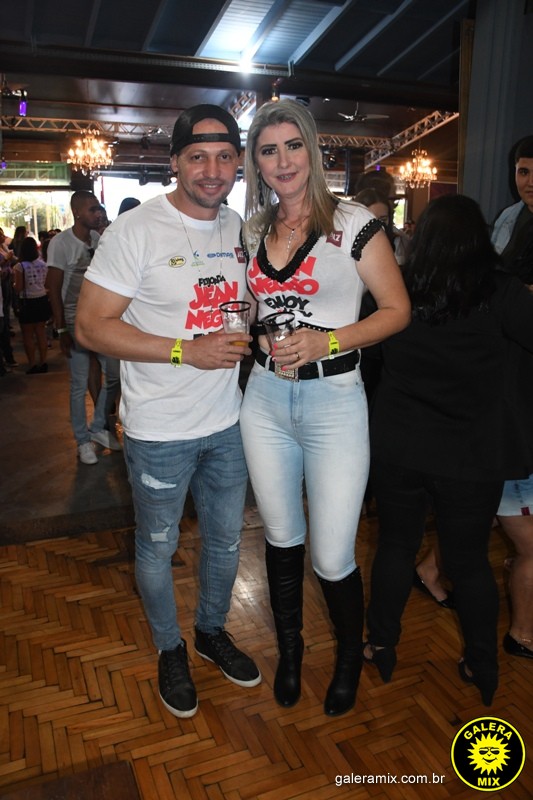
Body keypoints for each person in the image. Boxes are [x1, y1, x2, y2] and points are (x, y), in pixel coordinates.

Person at [75, 104, 261, 719]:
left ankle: (210, 632)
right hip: (158, 431)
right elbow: (90, 327)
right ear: (175, 162)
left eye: (225, 157)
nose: (212, 170)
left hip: (227, 423)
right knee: (157, 547)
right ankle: (170, 648)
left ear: (238, 163)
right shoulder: (136, 230)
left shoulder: (238, 227)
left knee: (226, 543)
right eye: (197, 157)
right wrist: (186, 349)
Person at [239, 99, 410, 717]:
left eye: (293, 146)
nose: (282, 161)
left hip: (335, 402)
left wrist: (329, 340)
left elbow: (397, 310)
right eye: (268, 150)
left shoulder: (354, 222)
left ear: (312, 150)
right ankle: (291, 652)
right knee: (282, 537)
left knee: (333, 556)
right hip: (265, 400)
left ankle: (347, 660)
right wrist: (254, 333)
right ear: (257, 162)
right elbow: (253, 310)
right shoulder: (253, 230)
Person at [363, 195, 533, 707]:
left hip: (401, 443)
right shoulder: (501, 292)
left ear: (423, 239)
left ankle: (381, 645)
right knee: (471, 562)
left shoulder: (396, 288)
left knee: (396, 546)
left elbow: (370, 360)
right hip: (472, 453)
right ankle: (483, 666)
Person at [491, 134, 533, 659]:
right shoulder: (509, 219)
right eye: (523, 171)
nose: (530, 181)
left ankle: (430, 570)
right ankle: (523, 631)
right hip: (510, 375)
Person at [45, 190, 122, 465]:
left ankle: (98, 426)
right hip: (72, 320)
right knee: (78, 384)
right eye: (92, 209)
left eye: (99, 208)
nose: (98, 213)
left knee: (114, 375)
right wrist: (61, 330)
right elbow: (53, 288)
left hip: (97, 318)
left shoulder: (98, 239)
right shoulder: (61, 243)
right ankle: (82, 441)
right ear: (77, 212)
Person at [13, 237, 51, 373]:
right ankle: (43, 361)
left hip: (27, 302)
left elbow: (19, 288)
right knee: (41, 333)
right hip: (42, 299)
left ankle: (32, 364)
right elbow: (47, 284)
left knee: (28, 335)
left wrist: (13, 285)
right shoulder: (43, 264)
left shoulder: (20, 266)